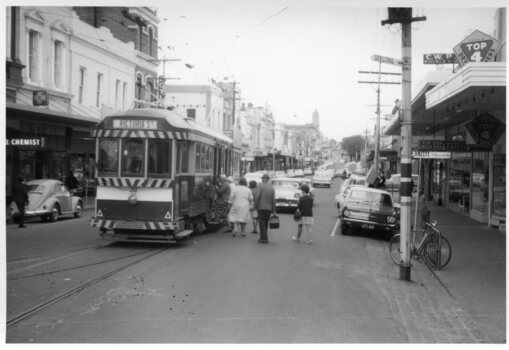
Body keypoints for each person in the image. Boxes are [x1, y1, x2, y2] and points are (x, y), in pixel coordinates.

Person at [253, 173, 275, 244]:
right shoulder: (271, 188)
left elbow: (257, 197)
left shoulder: (260, 186)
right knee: (265, 222)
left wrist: (255, 206)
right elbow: (273, 200)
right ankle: (263, 237)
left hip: (261, 207)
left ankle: (264, 238)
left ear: (263, 179)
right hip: (269, 208)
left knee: (261, 222)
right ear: (268, 180)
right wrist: (274, 210)